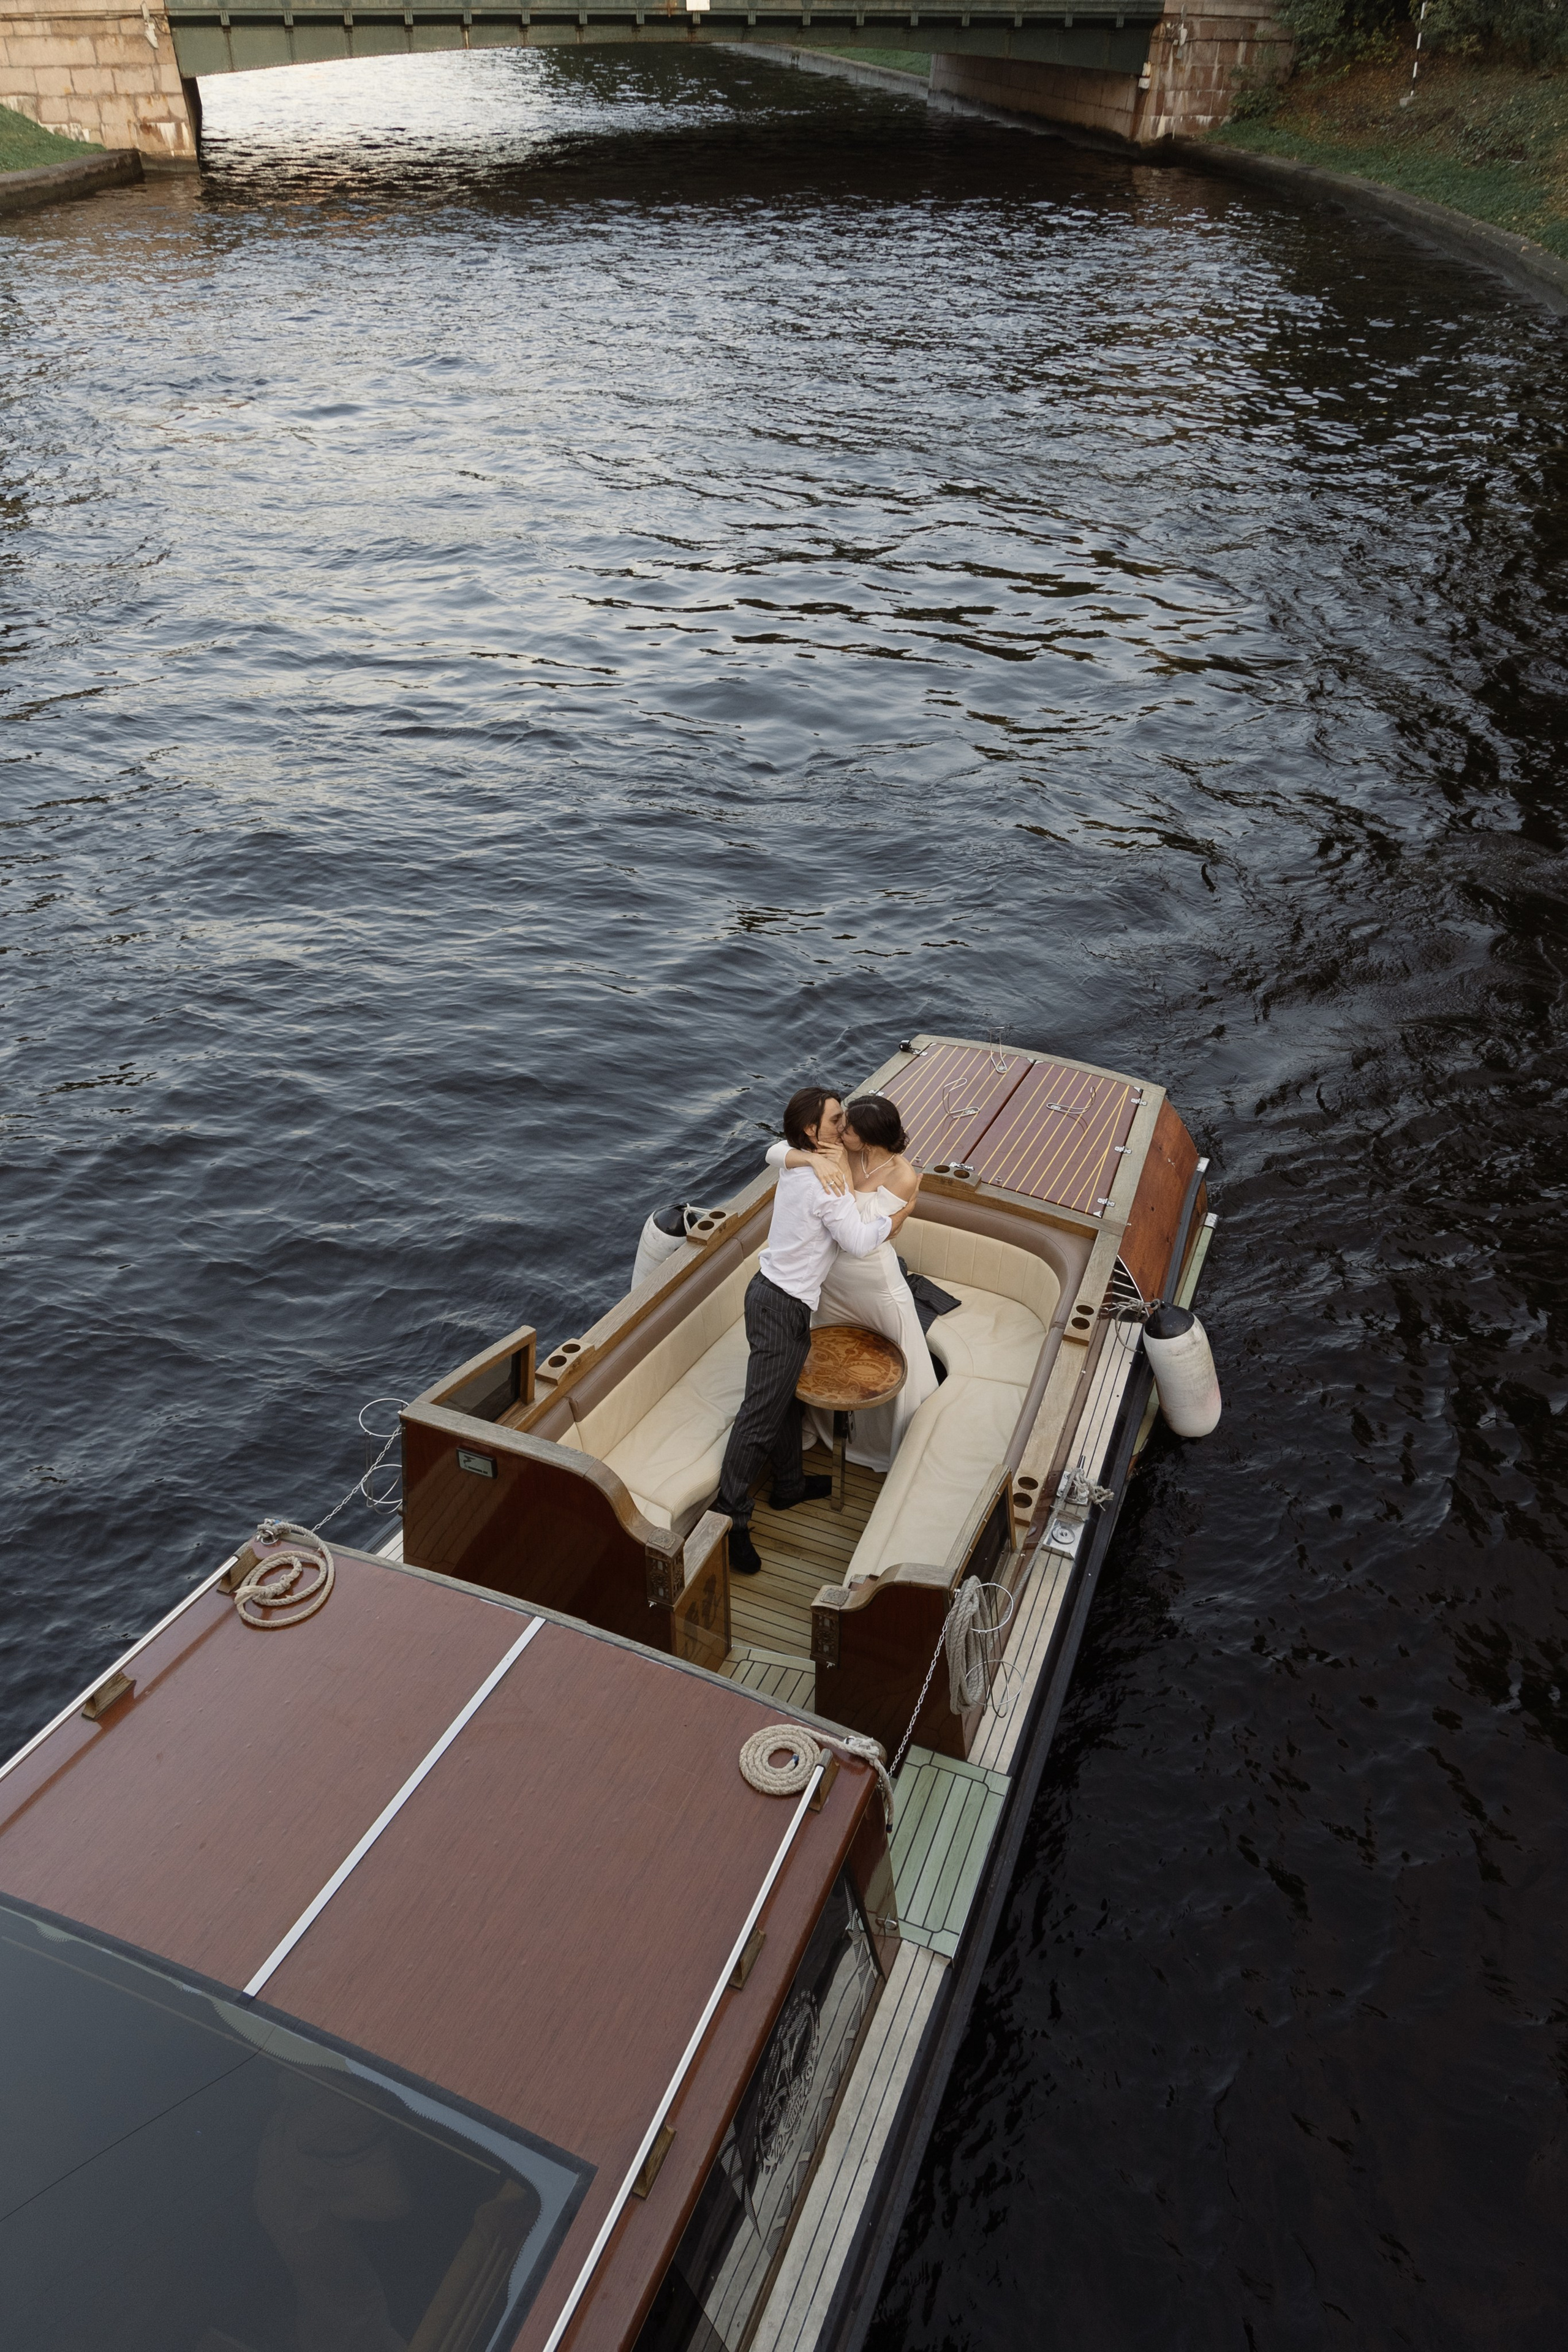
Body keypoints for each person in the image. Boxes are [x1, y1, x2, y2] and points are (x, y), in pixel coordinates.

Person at [717, 1085, 905, 1578]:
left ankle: (789, 1485)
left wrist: (808, 1157)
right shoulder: (824, 1182)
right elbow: (860, 1242)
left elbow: (775, 1150)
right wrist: (901, 1213)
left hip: (776, 1299)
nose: (844, 1128)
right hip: (780, 1306)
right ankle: (730, 1521)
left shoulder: (797, 1163)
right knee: (759, 1417)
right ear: (812, 1130)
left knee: (785, 1400)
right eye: (837, 1120)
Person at [766, 1093, 937, 1472]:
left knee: (894, 1359)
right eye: (840, 1124)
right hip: (830, 1281)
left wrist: (898, 1209)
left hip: (872, 1281)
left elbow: (860, 1236)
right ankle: (824, 1427)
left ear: (870, 1138)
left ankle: (890, 1447)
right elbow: (776, 1152)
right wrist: (815, 1159)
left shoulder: (902, 1175)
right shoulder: (842, 1149)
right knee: (828, 1361)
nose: (840, 1131)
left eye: (849, 1128)